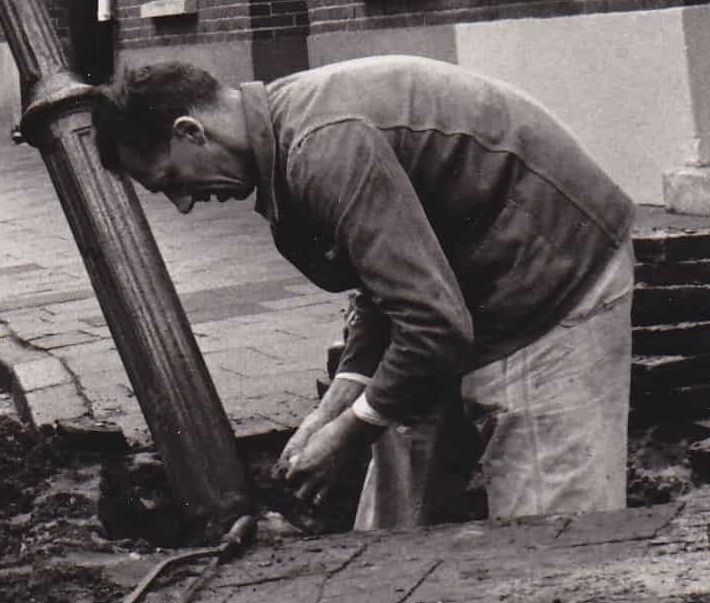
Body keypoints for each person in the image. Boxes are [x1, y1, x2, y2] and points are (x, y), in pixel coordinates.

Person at [93, 54, 636, 528]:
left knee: (553, 532)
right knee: (394, 461)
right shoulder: (287, 140)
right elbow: (385, 290)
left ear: (191, 132)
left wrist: (350, 431)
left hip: (553, 272)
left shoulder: (323, 148)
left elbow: (434, 325)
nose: (183, 205)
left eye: (170, 181)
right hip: (472, 284)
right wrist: (335, 409)